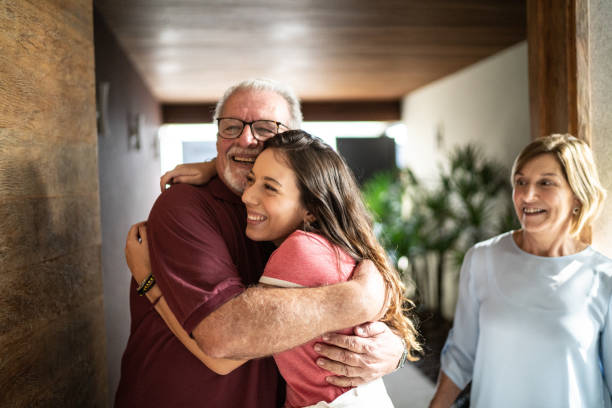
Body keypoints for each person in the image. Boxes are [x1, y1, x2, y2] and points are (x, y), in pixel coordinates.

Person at [116, 79, 406, 408]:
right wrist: (358, 298)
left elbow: (367, 272)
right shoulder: (184, 207)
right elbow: (224, 340)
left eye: (266, 128)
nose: (246, 138)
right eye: (231, 127)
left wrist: (393, 349)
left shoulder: (301, 230)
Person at [429, 134, 612, 408]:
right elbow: (460, 357)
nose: (527, 196)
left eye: (545, 183)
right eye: (521, 182)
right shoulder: (483, 259)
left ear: (577, 194)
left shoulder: (603, 276)